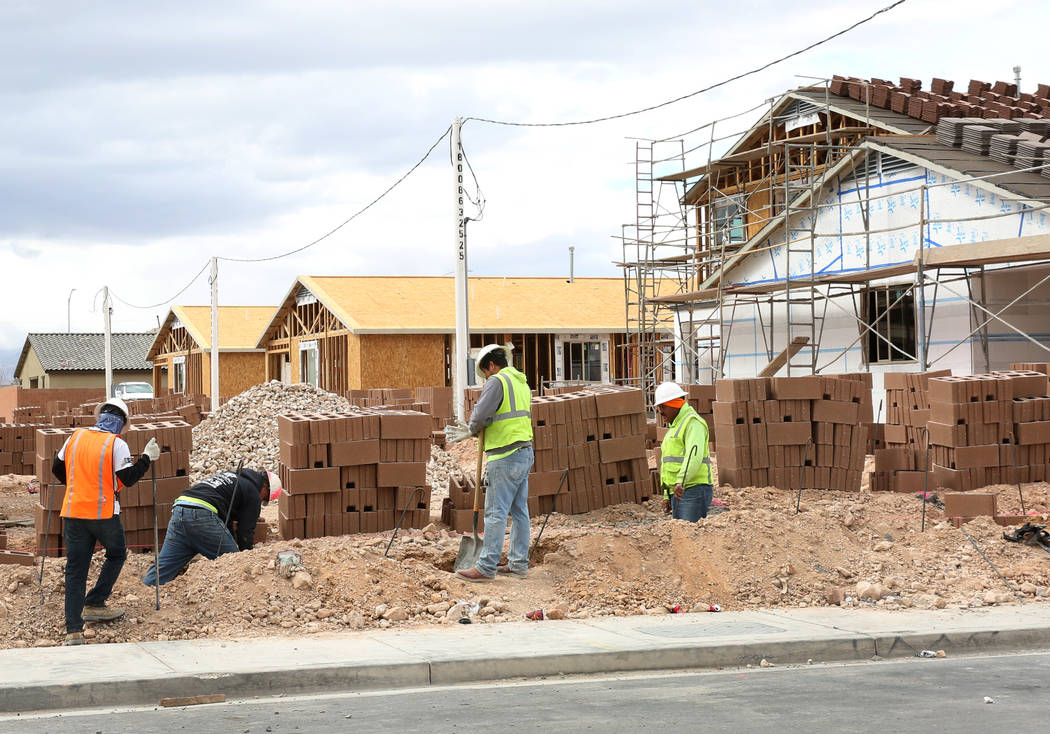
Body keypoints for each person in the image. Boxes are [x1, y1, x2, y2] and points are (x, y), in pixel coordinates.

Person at [51, 397, 160, 646]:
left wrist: (78, 486)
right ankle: (95, 601)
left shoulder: (75, 437)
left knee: (76, 570)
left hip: (73, 512)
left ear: (100, 417)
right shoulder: (116, 444)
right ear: (122, 422)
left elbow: (58, 469)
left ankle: (74, 631)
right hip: (103, 514)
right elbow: (129, 477)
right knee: (117, 554)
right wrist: (146, 458)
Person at [446, 344, 534, 581]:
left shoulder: (497, 381)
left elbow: (481, 414)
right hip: (524, 451)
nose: (486, 377)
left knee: (495, 513)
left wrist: (472, 429)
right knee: (519, 512)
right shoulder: (520, 382)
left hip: (504, 455)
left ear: (492, 366)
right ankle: (518, 564)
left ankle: (485, 567)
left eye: (485, 372)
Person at [141, 467, 282, 587]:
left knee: (164, 567)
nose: (262, 500)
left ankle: (143, 593)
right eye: (265, 498)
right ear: (265, 487)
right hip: (202, 515)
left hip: (180, 510)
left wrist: (231, 543)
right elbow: (246, 531)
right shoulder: (252, 493)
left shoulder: (232, 478)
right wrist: (247, 558)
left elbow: (225, 524)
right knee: (235, 564)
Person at [655, 381, 712, 522]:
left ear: (675, 404)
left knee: (689, 537)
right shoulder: (674, 427)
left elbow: (694, 456)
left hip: (692, 489)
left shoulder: (693, 423)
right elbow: (669, 463)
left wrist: (681, 481)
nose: (660, 412)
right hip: (679, 490)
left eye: (663, 407)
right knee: (681, 537)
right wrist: (667, 495)